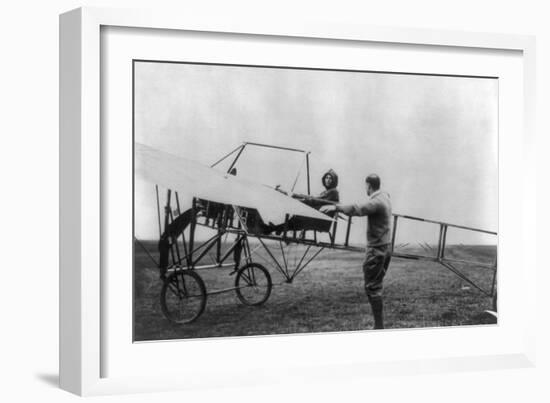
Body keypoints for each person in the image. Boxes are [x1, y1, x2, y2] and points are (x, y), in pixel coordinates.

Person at [320, 174, 392, 329]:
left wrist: (336, 207)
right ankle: (379, 326)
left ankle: (379, 327)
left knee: (372, 287)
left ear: (368, 185)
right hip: (385, 248)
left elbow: (358, 209)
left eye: (365, 186)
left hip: (377, 250)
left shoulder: (377, 201)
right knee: (375, 285)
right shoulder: (385, 196)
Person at [271, 169, 340, 233]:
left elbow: (314, 201)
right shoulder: (327, 192)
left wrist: (297, 199)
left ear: (334, 180)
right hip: (320, 218)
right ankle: (276, 228)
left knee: (298, 218)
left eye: (330, 178)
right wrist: (296, 197)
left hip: (322, 221)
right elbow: (313, 199)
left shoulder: (333, 192)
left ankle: (274, 229)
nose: (328, 180)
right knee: (297, 217)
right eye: (326, 178)